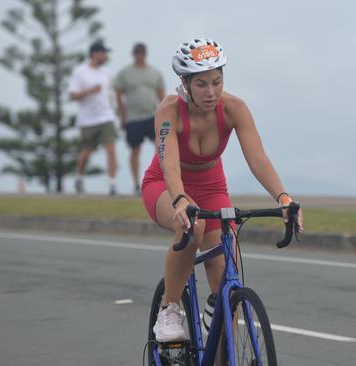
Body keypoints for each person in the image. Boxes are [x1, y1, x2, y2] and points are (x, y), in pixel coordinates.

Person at [141, 38, 304, 341]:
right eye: (201, 84)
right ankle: (170, 308)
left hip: (212, 185)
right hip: (165, 184)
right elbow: (170, 166)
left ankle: (217, 325)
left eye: (217, 82)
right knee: (193, 224)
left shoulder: (234, 108)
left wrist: (283, 198)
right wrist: (178, 200)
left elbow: (257, 158)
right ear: (184, 83)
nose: (211, 92)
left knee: (227, 288)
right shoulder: (169, 110)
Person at [114, 42, 165, 196]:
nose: (139, 55)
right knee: (135, 150)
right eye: (137, 52)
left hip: (152, 116)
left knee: (161, 148)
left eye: (141, 52)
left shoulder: (155, 73)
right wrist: (122, 116)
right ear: (133, 54)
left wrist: (165, 116)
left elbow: (161, 95)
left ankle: (163, 179)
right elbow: (118, 95)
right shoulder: (125, 73)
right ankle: (137, 184)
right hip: (133, 118)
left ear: (145, 54)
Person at [68, 41, 119, 196]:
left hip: (106, 117)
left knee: (110, 148)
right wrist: (90, 90)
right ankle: (79, 177)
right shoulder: (80, 72)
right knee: (86, 153)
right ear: (94, 54)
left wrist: (114, 111)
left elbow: (111, 94)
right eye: (103, 53)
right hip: (88, 119)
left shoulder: (107, 72)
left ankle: (112, 183)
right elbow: (72, 95)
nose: (105, 56)